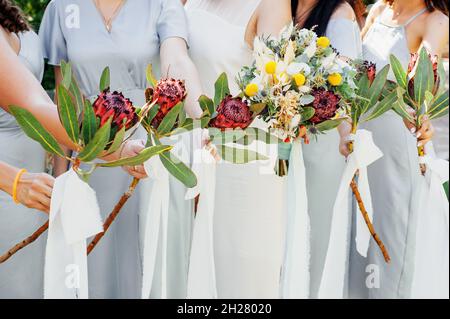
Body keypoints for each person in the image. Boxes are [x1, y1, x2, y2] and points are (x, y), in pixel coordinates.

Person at [39, 0, 203, 299]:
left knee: (150, 261)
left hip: (150, 147)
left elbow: (176, 62)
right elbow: (66, 101)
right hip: (92, 151)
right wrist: (60, 178)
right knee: (96, 261)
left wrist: (205, 119)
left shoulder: (163, 4)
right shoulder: (60, 8)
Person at [0, 0, 145, 298]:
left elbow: (42, 101)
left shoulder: (7, 13)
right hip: (10, 188)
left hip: (35, 189)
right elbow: (34, 106)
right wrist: (11, 180)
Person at [185, 0, 292, 298]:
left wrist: (219, 132)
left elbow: (276, 92)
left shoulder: (271, 5)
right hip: (187, 150)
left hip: (244, 161)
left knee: (238, 273)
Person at [359, 0, 448, 299]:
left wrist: (423, 112)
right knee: (358, 234)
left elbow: (425, 73)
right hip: (359, 143)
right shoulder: (377, 12)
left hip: (396, 145)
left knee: (391, 233)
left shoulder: (434, 20)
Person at [291, 0, 365, 298]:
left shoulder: (340, 15)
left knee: (315, 240)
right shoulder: (285, 8)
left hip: (323, 149)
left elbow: (345, 88)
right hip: (290, 146)